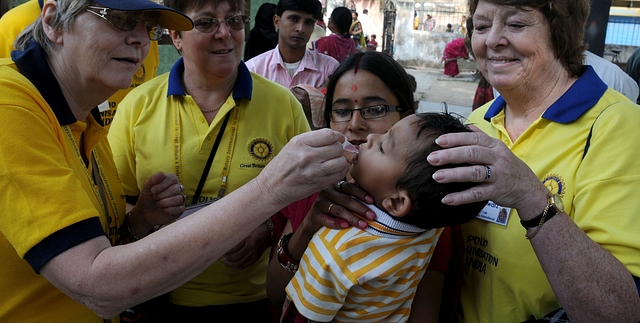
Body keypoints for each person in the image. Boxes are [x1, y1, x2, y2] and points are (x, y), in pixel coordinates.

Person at [425, 0, 640, 322]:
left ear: (560, 32)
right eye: (481, 26)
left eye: (515, 25)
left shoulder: (617, 124)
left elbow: (618, 311)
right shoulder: (479, 120)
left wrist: (531, 196)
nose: (492, 40)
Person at [107, 0, 316, 321]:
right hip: (157, 296)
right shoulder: (137, 107)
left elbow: (305, 207)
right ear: (176, 36)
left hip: (253, 300)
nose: (225, 33)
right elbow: (113, 211)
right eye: (206, 23)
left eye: (234, 20)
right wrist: (144, 217)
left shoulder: (283, 105)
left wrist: (268, 233)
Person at [265, 51, 465, 323]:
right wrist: (310, 226)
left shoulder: (424, 218)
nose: (356, 126)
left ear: (407, 116)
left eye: (375, 109)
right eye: (342, 111)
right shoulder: (309, 187)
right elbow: (276, 295)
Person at [282, 113, 488, 322]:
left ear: (398, 203)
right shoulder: (431, 227)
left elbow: (296, 313)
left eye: (382, 147)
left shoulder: (337, 248)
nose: (371, 138)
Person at [0, 0, 160, 128]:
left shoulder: (89, 125)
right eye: (119, 18)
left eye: (149, 27)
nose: (143, 39)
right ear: (55, 22)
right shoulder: (9, 102)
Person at [245, 0, 339, 89]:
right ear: (277, 21)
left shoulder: (329, 69)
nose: (301, 28)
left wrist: (318, 100)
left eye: (308, 22)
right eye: (294, 19)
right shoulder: (253, 70)